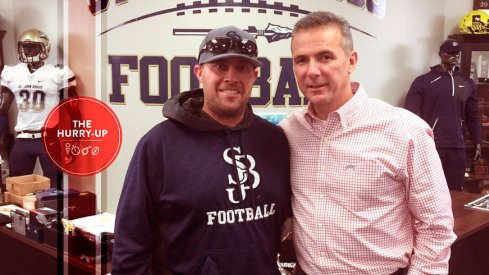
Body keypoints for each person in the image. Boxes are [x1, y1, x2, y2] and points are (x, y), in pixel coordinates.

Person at [279, 11, 456, 274]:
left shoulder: (405, 130)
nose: (312, 71)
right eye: (301, 60)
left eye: (325, 57)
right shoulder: (289, 131)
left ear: (351, 61)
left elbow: (436, 227)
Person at [111, 26, 291, 275]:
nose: (231, 76)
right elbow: (130, 246)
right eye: (219, 66)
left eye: (242, 67)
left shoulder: (274, 141)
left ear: (255, 75)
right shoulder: (158, 146)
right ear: (199, 72)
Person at [0, 28, 78, 188]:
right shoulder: (11, 72)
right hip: (22, 139)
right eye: (25, 46)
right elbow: (2, 109)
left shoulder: (58, 72)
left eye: (33, 47)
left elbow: (74, 111)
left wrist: (76, 141)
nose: (28, 51)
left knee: (54, 191)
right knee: (18, 191)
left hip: (48, 139)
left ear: (45, 48)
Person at [405, 39, 481, 191]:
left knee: (455, 191)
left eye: (457, 53)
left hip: (457, 145)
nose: (455, 56)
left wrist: (477, 140)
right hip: (432, 145)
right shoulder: (424, 81)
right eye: (450, 53)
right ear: (441, 54)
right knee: (429, 190)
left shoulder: (466, 83)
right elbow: (409, 115)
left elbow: (472, 116)